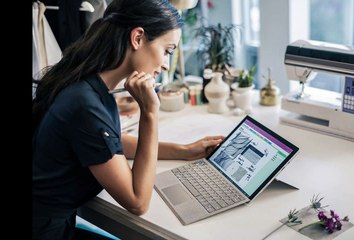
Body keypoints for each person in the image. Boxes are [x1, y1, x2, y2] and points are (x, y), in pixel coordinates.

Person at [32, 0, 224, 239]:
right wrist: (149, 113)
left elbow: (110, 144)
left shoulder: (88, 83)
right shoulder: (85, 105)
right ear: (138, 38)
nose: (165, 64)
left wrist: (182, 150)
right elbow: (137, 201)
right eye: (167, 50)